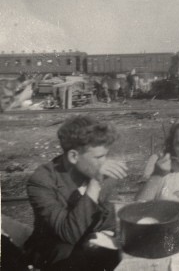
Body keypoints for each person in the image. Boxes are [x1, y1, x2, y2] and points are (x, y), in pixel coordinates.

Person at [25, 115, 128, 271]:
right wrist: (95, 183)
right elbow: (69, 234)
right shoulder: (42, 180)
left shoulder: (100, 172)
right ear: (73, 156)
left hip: (92, 245)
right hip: (55, 254)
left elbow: (108, 221)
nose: (105, 162)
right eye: (99, 157)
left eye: (106, 155)